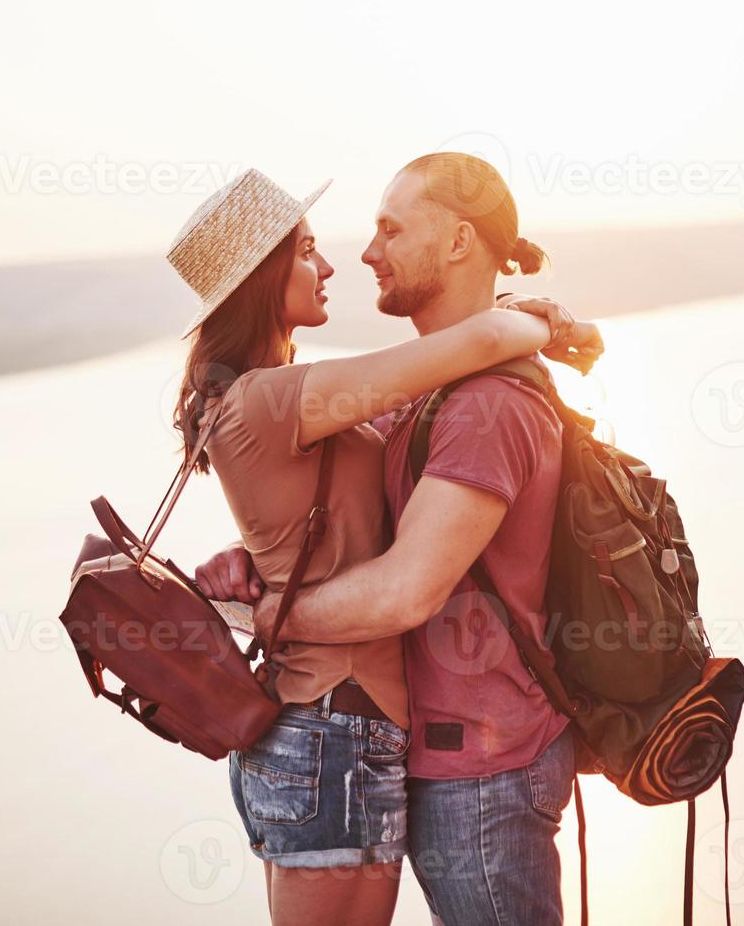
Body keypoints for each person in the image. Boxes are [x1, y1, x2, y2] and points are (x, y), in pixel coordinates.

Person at [169, 166, 601, 926]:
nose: (336, 261)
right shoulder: (275, 398)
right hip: (332, 731)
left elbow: (332, 515)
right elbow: (490, 335)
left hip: (338, 733)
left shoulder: (288, 394)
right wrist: (553, 323)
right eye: (307, 251)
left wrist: (257, 567)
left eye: (387, 231)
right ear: (265, 278)